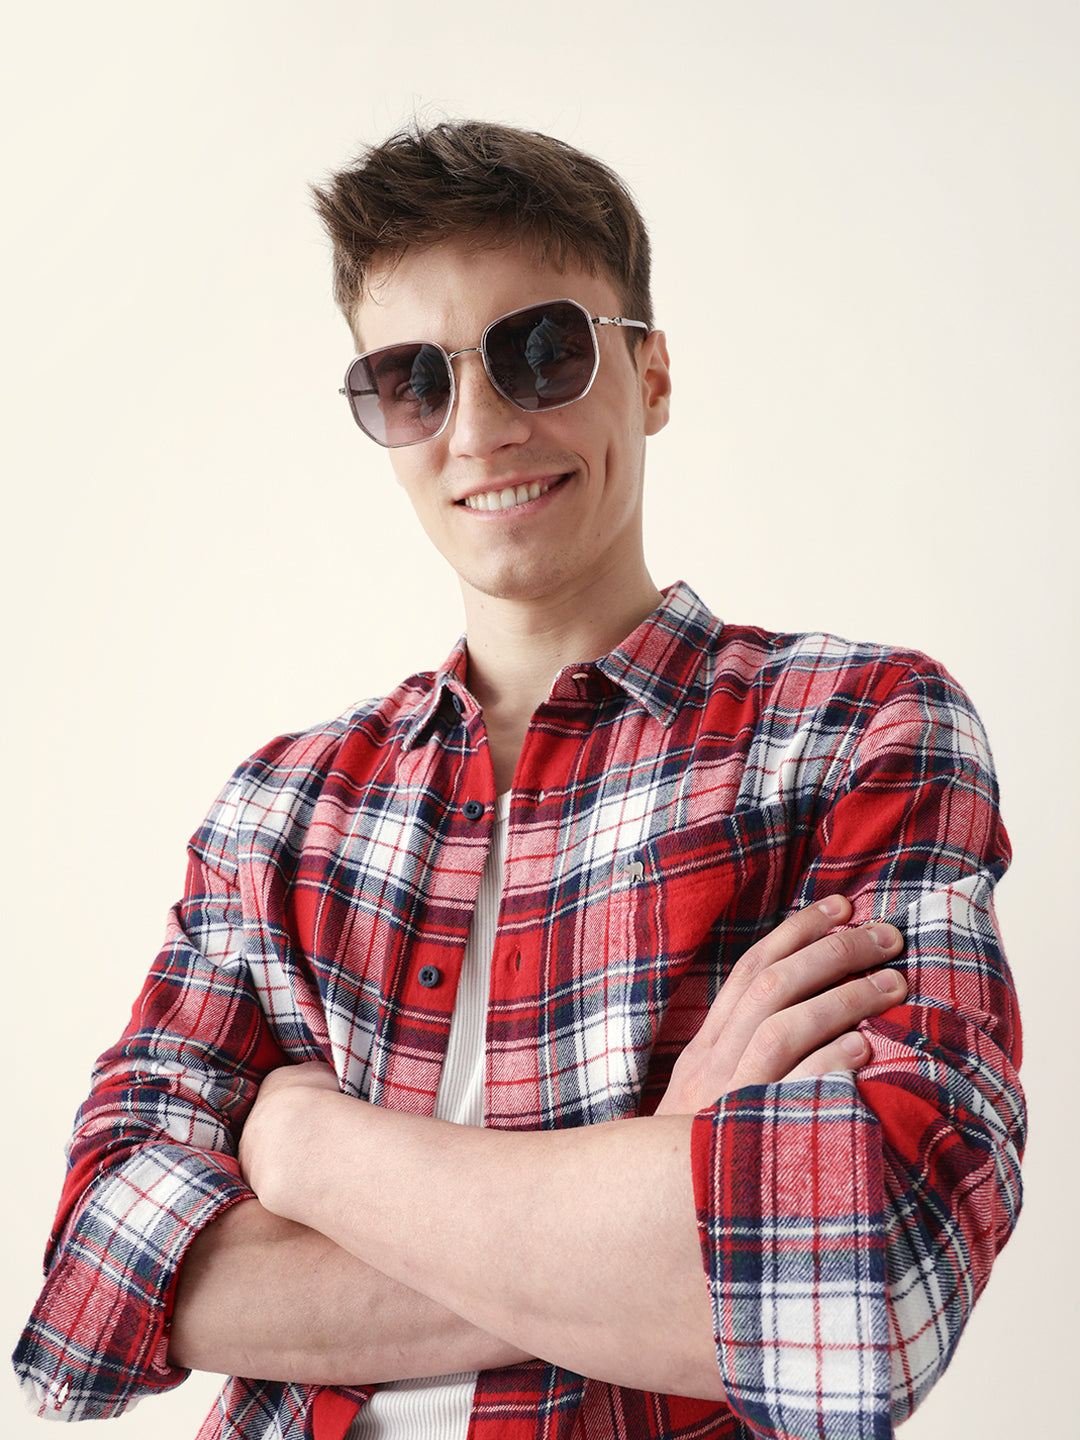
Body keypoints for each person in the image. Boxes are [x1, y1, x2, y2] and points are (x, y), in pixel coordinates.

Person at [14, 121, 1024, 1440]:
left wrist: (308, 1151)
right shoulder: (279, 810)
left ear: (651, 374)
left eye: (541, 351)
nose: (482, 429)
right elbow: (103, 1282)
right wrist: (649, 1191)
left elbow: (870, 1284)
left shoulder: (856, 732)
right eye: (411, 381)